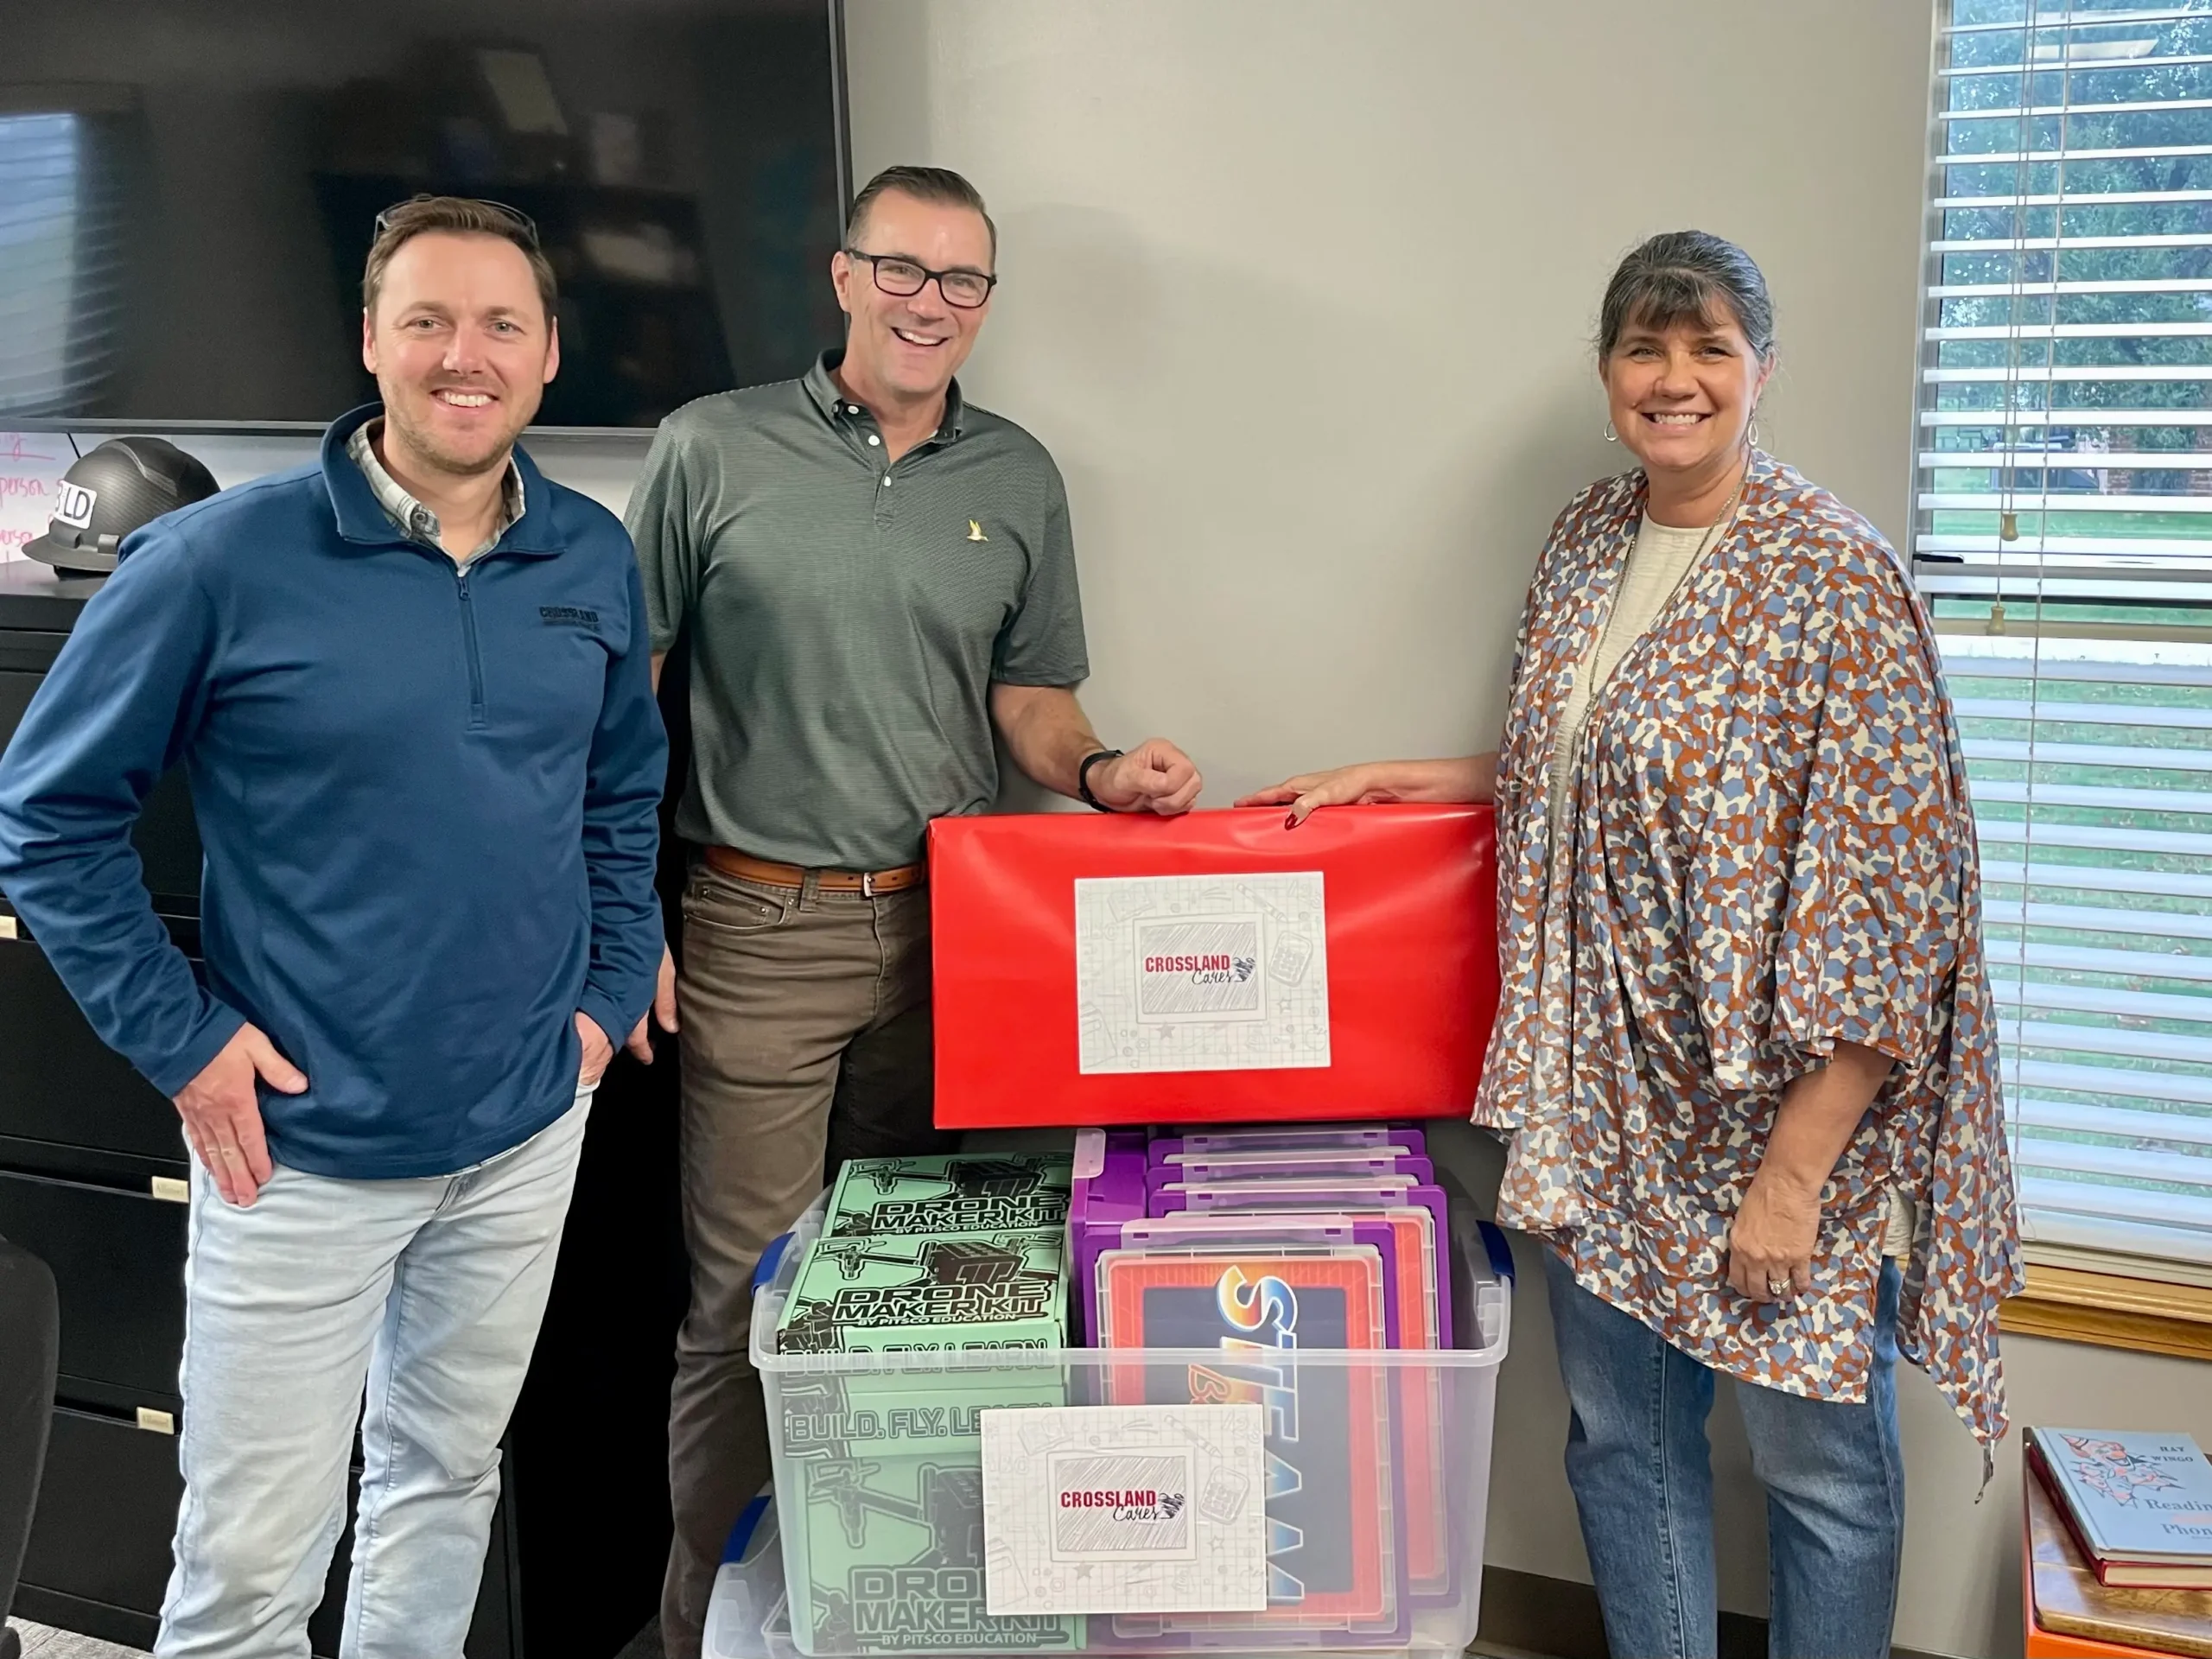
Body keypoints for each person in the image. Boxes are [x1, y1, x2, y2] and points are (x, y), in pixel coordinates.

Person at [1241, 230, 2021, 1659]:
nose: (1674, 381)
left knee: (1821, 1477)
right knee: (1622, 1442)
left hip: (1781, 1121)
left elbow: (1894, 909)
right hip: (1605, 1099)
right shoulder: (1593, 536)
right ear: (1607, 375)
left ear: (1761, 370)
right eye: (1644, 351)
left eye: (1707, 348)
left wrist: (1792, 1182)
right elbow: (1600, 758)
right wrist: (1427, 780)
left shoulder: (1834, 577)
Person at [0, 195, 671, 1657]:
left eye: (500, 322)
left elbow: (622, 793)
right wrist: (185, 1044)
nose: (463, 354)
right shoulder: (218, 563)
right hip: (295, 1158)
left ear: (549, 353)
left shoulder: (592, 559)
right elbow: (44, 818)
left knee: (443, 1485)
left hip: (522, 1131)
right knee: (248, 1570)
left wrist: (608, 994)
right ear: (371, 342)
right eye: (426, 319)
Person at [627, 162, 1204, 1656]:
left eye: (962, 283)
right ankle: (710, 1621)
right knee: (747, 1302)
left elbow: (1029, 697)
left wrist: (1100, 771)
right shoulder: (711, 449)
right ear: (843, 275)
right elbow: (623, 696)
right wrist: (622, 914)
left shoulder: (1016, 477)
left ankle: (895, 1609)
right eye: (904, 270)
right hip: (754, 926)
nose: (930, 304)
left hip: (959, 933)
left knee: (937, 1296)